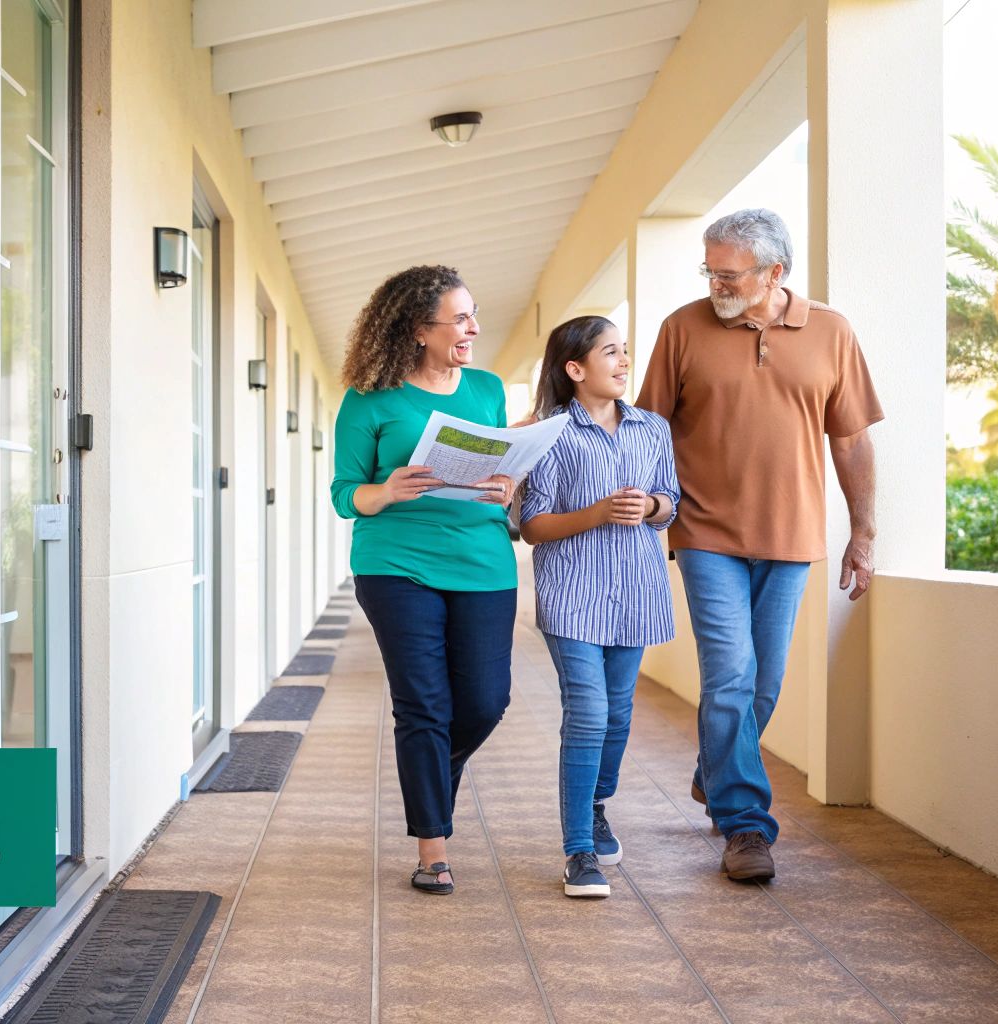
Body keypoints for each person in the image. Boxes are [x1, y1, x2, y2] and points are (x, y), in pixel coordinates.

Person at [635, 208, 882, 882]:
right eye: (709, 270)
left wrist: (862, 533)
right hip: (705, 529)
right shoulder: (681, 329)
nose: (716, 282)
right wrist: (647, 514)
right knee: (732, 673)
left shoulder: (831, 331)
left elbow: (852, 438)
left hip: (792, 534)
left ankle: (713, 770)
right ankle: (746, 826)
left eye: (730, 273)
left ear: (776, 272)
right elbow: (649, 430)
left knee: (763, 680)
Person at [330, 265, 517, 896]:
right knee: (424, 705)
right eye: (459, 319)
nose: (474, 328)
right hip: (396, 564)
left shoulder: (488, 388)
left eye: (472, 315)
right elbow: (343, 493)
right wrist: (382, 491)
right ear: (417, 329)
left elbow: (501, 466)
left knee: (487, 700)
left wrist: (505, 487)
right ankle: (432, 847)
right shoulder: (369, 398)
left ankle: (433, 769)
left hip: (483, 561)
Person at [519, 316, 678, 898]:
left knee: (619, 714)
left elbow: (673, 502)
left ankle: (597, 804)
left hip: (636, 590)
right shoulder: (551, 434)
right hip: (573, 594)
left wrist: (654, 504)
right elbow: (532, 525)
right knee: (587, 713)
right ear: (575, 368)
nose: (622, 361)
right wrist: (597, 512)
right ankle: (578, 850)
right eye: (609, 352)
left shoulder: (652, 429)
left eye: (624, 352)